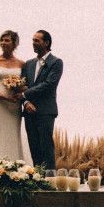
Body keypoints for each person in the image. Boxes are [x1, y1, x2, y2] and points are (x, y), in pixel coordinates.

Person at [0, 30, 33, 163]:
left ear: (14, 44)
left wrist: (18, 89)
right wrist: (7, 98)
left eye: (7, 40)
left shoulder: (22, 64)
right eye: (2, 40)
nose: (4, 43)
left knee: (12, 134)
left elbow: (26, 85)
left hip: (14, 105)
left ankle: (15, 166)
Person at [20, 29, 62, 171]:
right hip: (28, 112)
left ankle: (50, 182)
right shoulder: (28, 64)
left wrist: (25, 95)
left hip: (45, 111)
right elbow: (22, 86)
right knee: (34, 147)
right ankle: (38, 179)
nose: (33, 43)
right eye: (33, 40)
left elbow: (49, 85)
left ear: (46, 43)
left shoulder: (56, 62)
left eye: (37, 40)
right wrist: (25, 102)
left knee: (46, 147)